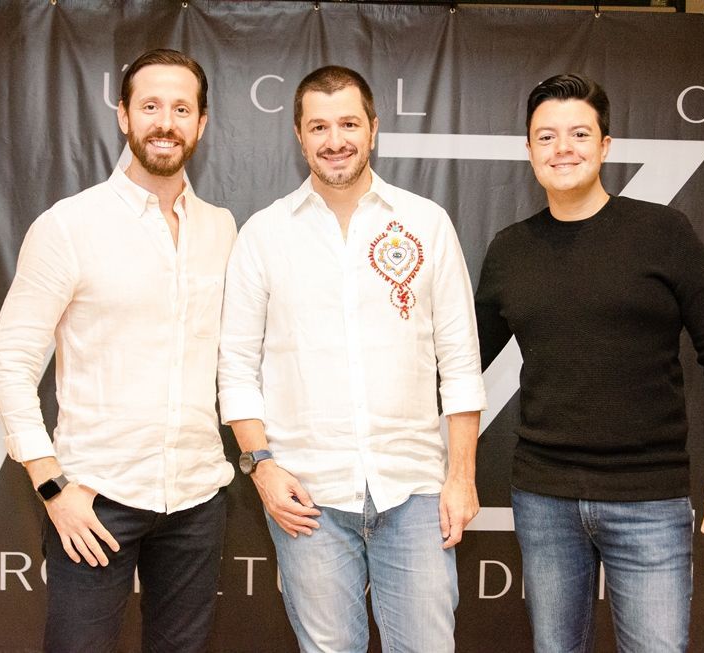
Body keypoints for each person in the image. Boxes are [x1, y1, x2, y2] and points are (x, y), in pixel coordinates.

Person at [474, 73, 704, 652]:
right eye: (546, 136)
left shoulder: (662, 233)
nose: (563, 148)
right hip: (544, 499)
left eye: (579, 133)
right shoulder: (509, 250)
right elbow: (459, 364)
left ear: (605, 146)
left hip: (649, 499)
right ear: (529, 150)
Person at [217, 65, 486, 653]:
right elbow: (236, 369)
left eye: (347, 123)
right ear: (299, 134)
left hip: (414, 489)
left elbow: (461, 364)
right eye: (319, 125)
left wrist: (461, 476)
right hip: (306, 497)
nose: (334, 139)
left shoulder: (425, 223)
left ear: (373, 129)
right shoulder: (263, 235)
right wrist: (261, 466)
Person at [0, 48, 235, 652]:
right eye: (150, 106)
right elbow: (11, 363)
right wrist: (52, 488)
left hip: (198, 498)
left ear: (201, 124)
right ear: (123, 116)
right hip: (95, 502)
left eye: (182, 108)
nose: (165, 122)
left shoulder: (222, 229)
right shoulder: (69, 226)